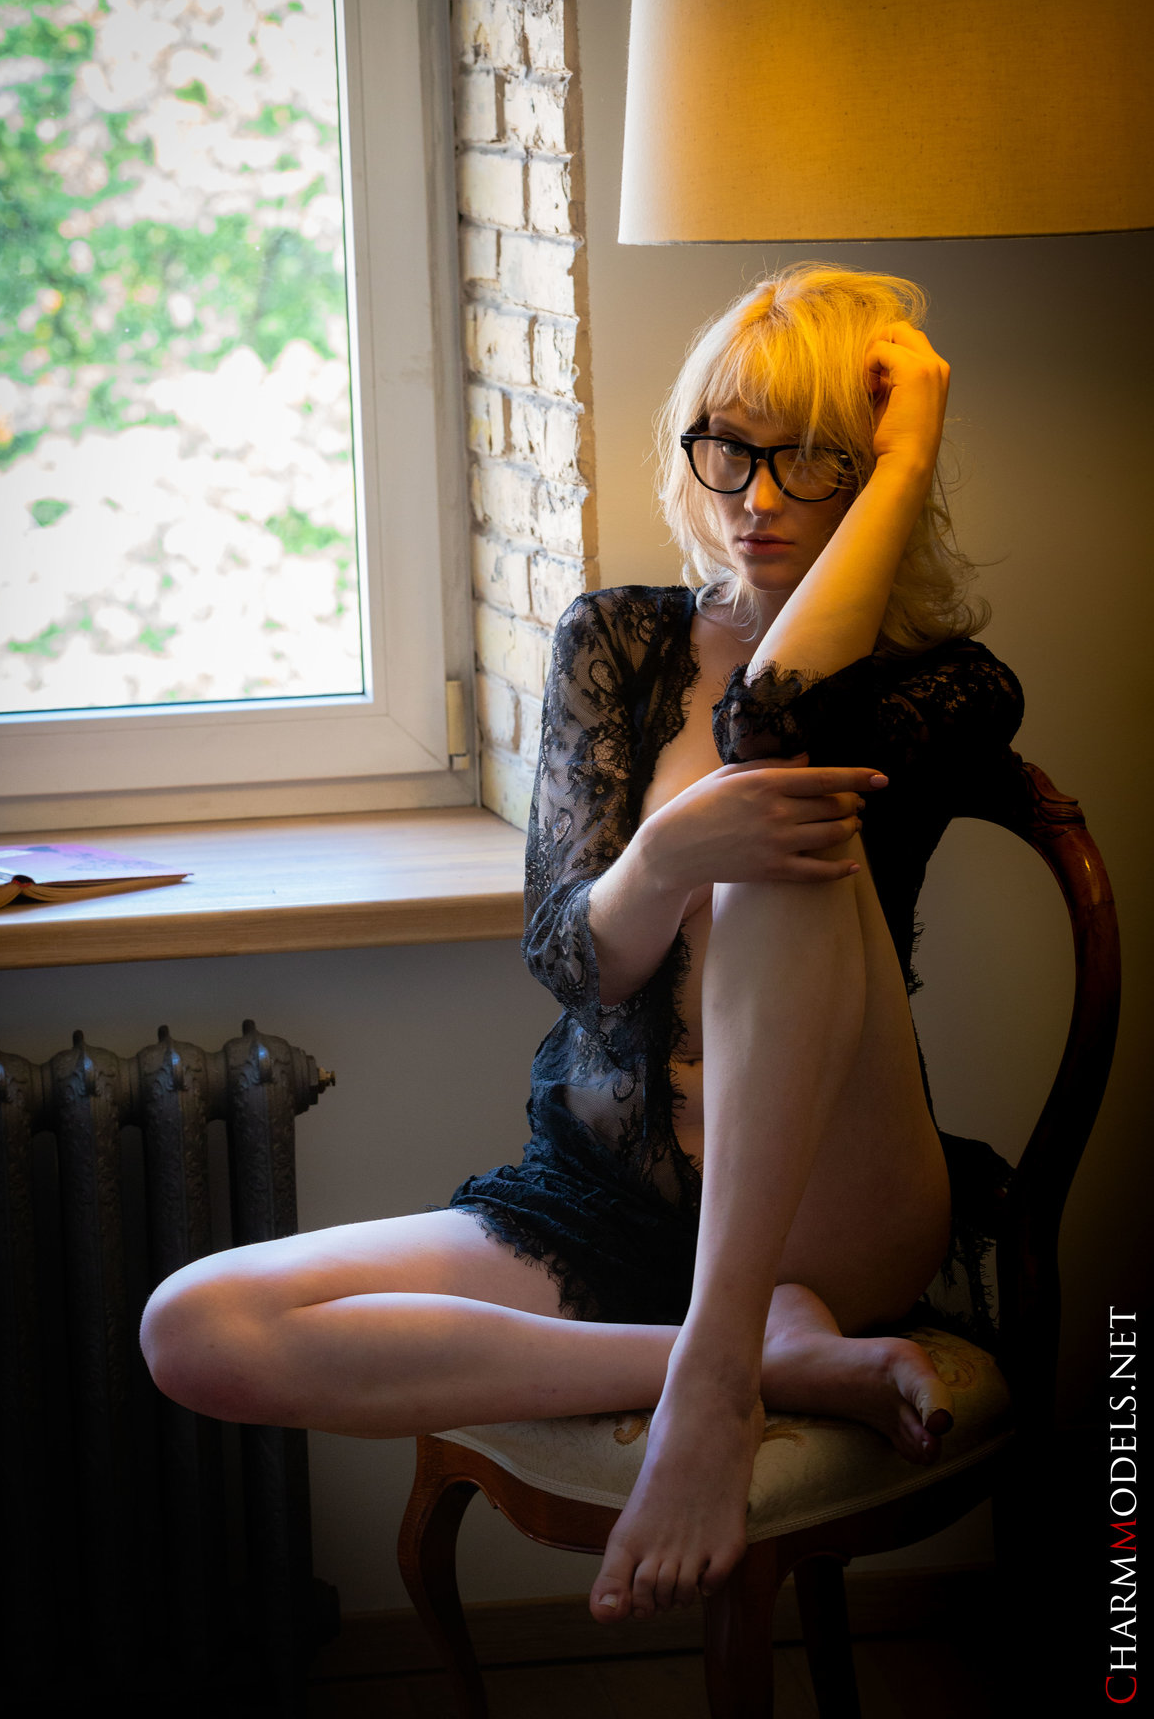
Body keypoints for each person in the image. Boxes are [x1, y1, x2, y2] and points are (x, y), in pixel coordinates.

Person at [140, 264, 1023, 1626]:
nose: (758, 498)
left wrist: (911, 452)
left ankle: (721, 1373)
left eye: (815, 461)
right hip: (612, 1196)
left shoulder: (954, 688)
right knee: (198, 1326)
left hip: (835, 1212)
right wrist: (663, 856)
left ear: (880, 475)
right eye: (729, 449)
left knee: (776, 831)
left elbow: (775, 721)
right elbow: (573, 963)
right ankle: (737, 1359)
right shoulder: (619, 639)